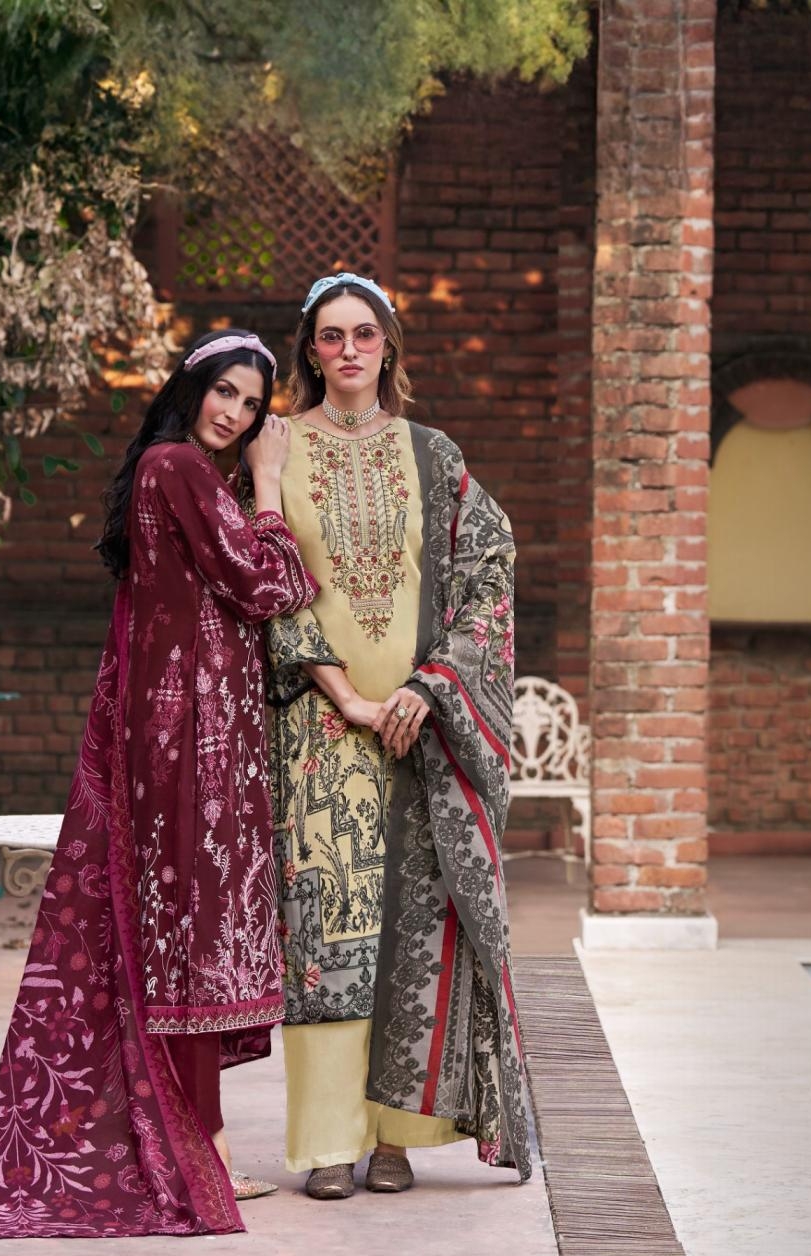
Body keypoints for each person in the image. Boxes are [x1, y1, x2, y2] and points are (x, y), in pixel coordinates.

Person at [0, 329, 317, 1238]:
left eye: (251, 403)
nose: (236, 414)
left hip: (192, 736)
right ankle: (192, 1152)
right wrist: (268, 488)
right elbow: (273, 585)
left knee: (180, 935)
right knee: (183, 932)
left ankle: (203, 1144)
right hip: (188, 742)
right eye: (224, 391)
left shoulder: (177, 473)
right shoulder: (177, 467)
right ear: (190, 387)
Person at [266, 273, 530, 1200]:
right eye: (330, 335)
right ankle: (328, 1142)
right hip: (318, 728)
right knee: (327, 933)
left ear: (388, 347)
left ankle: (397, 1136)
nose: (348, 350)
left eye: (364, 333)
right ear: (310, 350)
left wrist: (434, 685)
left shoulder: (432, 453)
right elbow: (266, 580)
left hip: (420, 731)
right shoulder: (276, 446)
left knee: (414, 927)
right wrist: (344, 696)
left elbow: (489, 569)